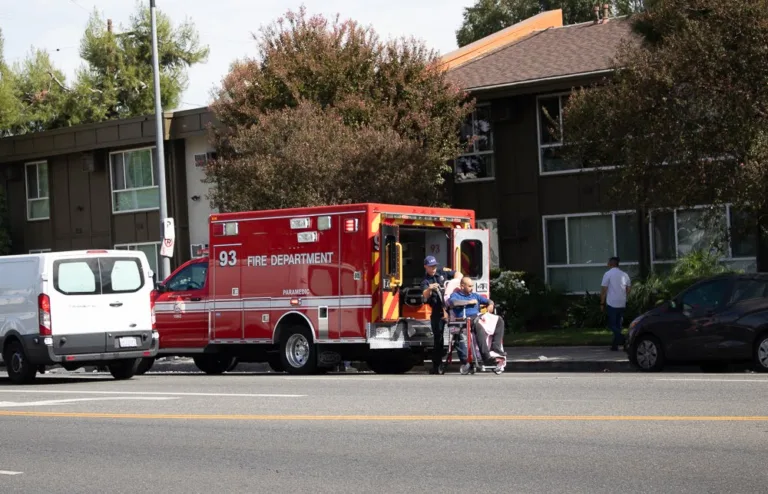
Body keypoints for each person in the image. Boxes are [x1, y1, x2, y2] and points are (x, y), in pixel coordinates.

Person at [447, 276, 506, 365]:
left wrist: (490, 304)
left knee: (499, 320)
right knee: (478, 326)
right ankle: (486, 357)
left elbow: (489, 301)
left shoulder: (475, 295)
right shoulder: (455, 295)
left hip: (478, 316)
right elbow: (453, 303)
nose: (472, 288)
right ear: (462, 286)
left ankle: (496, 347)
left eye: (472, 286)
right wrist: (469, 302)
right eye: (469, 286)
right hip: (466, 318)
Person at [420, 255, 463, 374]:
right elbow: (425, 295)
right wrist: (430, 288)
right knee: (438, 338)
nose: (433, 268)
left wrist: (453, 284)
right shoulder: (425, 280)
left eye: (434, 266)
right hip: (437, 310)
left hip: (451, 309)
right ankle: (437, 366)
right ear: (425, 267)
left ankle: (465, 361)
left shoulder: (443, 272)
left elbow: (458, 274)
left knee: (458, 334)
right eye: (430, 266)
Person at [600, 256, 632, 351]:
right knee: (618, 325)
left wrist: (602, 303)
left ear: (611, 263)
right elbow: (628, 289)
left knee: (612, 325)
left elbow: (604, 290)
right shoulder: (624, 274)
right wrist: (623, 295)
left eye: (608, 262)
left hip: (612, 303)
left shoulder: (608, 274)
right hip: (622, 302)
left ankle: (624, 338)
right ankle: (615, 346)